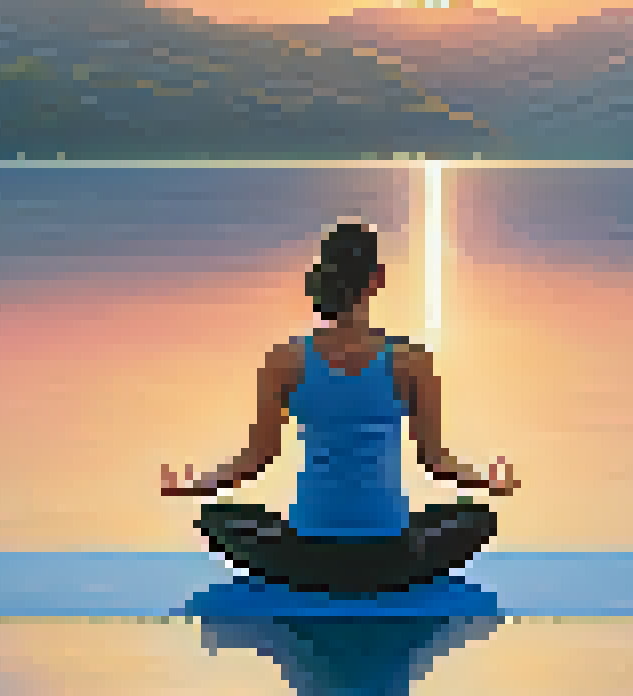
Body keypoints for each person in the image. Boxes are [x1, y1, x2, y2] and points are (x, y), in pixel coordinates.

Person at [158, 218, 518, 595]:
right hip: (390, 557)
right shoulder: (412, 361)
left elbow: (255, 461)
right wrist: (490, 483)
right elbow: (437, 463)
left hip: (305, 557)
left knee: (218, 517)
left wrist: (194, 486)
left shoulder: (284, 361)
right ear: (377, 279)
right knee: (475, 518)